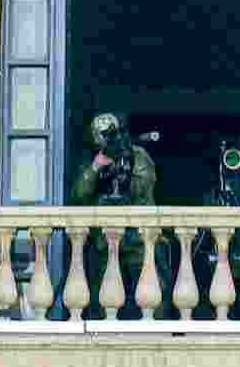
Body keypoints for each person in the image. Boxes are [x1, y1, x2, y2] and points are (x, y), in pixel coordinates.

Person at [70, 113, 172, 317]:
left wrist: (125, 164)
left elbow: (143, 187)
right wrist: (96, 167)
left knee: (151, 299)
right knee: (101, 304)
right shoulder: (93, 160)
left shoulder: (137, 155)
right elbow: (78, 197)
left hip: (139, 240)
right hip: (104, 243)